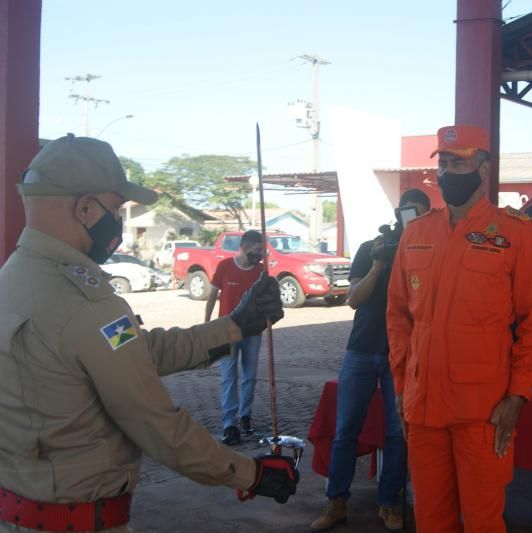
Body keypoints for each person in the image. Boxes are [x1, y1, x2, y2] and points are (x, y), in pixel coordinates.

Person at [0, 134, 297, 533]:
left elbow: (132, 354)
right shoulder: (87, 306)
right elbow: (158, 425)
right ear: (85, 208)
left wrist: (234, 326)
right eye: (116, 207)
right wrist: (252, 474)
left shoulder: (13, 280)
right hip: (79, 520)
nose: (119, 220)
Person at [386, 125, 532, 532]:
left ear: (482, 168)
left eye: (458, 163)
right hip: (423, 407)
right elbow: (397, 316)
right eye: (443, 163)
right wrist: (400, 384)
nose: (447, 172)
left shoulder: (515, 233)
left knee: (482, 521)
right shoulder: (417, 232)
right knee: (431, 519)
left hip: (483, 411)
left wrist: (519, 393)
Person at [311, 189, 430, 533]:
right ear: (397, 213)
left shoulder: (425, 254)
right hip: (362, 349)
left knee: (397, 433)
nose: (411, 222)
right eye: (408, 214)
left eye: (419, 216)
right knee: (345, 429)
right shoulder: (369, 249)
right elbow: (353, 299)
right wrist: (379, 263)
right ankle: (336, 502)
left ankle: (389, 503)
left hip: (402, 354)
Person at [205, 229, 266, 445]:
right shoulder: (225, 267)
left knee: (250, 376)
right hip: (227, 330)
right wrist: (208, 323)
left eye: (261, 250)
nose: (259, 254)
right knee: (229, 377)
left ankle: (245, 416)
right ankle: (229, 423)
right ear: (243, 247)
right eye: (256, 250)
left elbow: (267, 299)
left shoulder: (261, 271)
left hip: (252, 332)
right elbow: (212, 295)